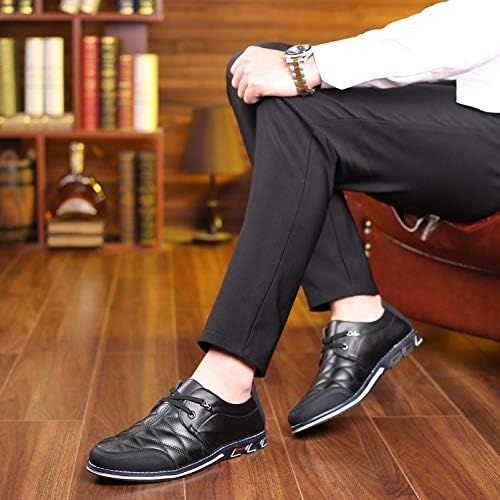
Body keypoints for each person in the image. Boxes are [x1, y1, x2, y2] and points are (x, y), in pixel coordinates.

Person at [87, 0, 500, 482]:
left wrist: (308, 66)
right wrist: (299, 66)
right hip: (471, 93)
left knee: (292, 101)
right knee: (251, 73)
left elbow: (482, 22)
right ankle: (359, 311)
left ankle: (225, 384)